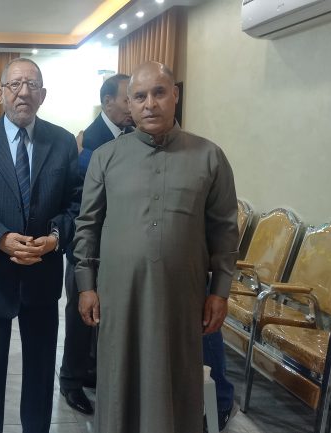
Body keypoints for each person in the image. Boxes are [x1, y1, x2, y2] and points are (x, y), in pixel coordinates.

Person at [73, 61, 238, 433]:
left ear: (175, 95)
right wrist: (86, 286)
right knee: (119, 378)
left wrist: (220, 291)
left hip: (183, 299)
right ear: (129, 105)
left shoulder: (209, 156)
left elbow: (225, 230)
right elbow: (87, 226)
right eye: (139, 96)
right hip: (119, 297)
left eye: (159, 93)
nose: (150, 104)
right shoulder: (106, 157)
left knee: (177, 380)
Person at [0, 57, 81, 433]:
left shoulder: (62, 142)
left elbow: (75, 204)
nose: (24, 92)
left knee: (40, 377)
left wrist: (55, 239)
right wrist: (0, 239)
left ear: (43, 94)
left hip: (42, 277)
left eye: (32, 85)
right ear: (0, 93)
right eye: (15, 85)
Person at [59, 73, 134, 415]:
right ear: (107, 102)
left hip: (118, 247)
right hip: (86, 246)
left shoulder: (130, 135)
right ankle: (71, 381)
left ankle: (91, 368)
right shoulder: (88, 141)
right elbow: (78, 199)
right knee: (80, 315)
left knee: (103, 315)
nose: (133, 106)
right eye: (128, 98)